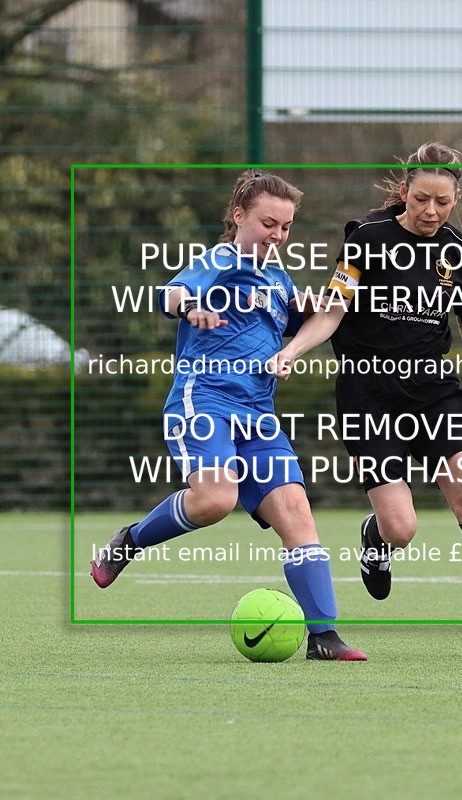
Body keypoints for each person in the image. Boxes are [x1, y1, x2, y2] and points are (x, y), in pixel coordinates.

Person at [270, 142, 462, 656]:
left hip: (435, 392)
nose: (431, 211)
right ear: (403, 190)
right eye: (422, 198)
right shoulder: (365, 239)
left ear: (456, 200)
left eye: (442, 202)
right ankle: (378, 538)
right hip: (369, 394)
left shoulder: (460, 252)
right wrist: (293, 349)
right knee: (401, 528)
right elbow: (334, 313)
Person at [90, 169, 367, 661]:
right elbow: (170, 294)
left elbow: (319, 317)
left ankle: (324, 637)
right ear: (238, 215)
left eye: (285, 227)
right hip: (205, 403)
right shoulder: (220, 259)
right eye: (268, 223)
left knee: (298, 514)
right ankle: (129, 540)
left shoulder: (279, 280)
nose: (277, 236)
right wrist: (191, 304)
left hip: (258, 415)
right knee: (217, 499)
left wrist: (334, 297)